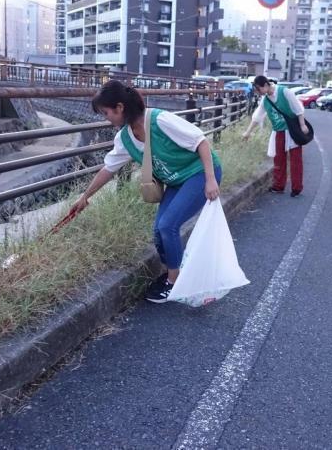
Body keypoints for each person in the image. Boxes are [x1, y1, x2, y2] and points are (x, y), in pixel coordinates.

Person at [69, 80, 222, 304]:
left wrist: (210, 180)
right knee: (159, 232)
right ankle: (177, 272)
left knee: (167, 225)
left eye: (106, 112)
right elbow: (108, 169)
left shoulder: (159, 120)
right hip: (177, 180)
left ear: (120, 108)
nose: (106, 118)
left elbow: (201, 142)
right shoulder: (124, 138)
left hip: (199, 173)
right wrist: (85, 197)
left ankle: (173, 282)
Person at [241, 75, 309, 197]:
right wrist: (248, 132)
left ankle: (296, 188)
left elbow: (298, 108)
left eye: (259, 89)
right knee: (279, 159)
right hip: (278, 131)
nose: (259, 92)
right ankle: (278, 186)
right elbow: (257, 116)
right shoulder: (265, 100)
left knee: (296, 159)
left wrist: (303, 125)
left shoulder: (284, 92)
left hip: (292, 129)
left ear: (266, 85)